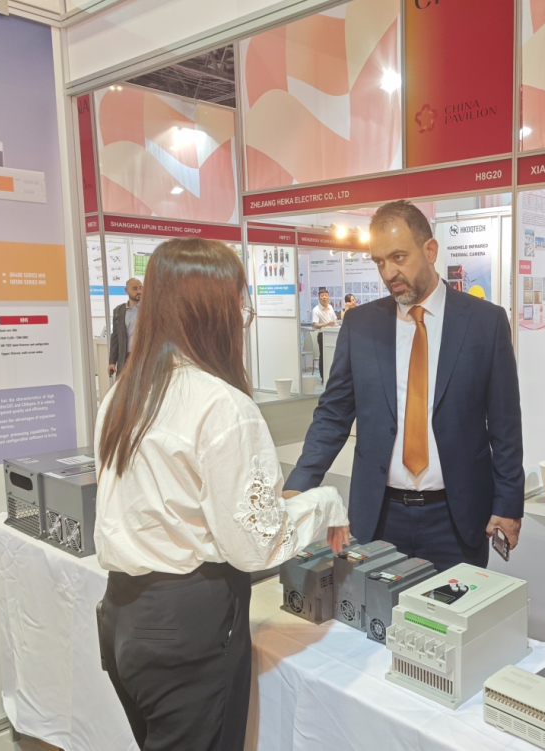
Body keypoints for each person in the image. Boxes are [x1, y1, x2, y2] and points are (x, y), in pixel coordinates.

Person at [94, 239, 349, 751]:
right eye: (238, 304)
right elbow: (256, 544)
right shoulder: (221, 406)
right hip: (188, 626)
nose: (241, 318)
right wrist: (325, 504)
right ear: (214, 310)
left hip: (122, 614)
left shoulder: (124, 394)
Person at [283, 200, 524, 571]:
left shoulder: (485, 322)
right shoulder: (361, 325)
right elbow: (333, 415)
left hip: (458, 518)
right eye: (379, 261)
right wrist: (299, 483)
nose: (388, 272)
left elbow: (505, 425)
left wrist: (508, 503)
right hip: (379, 516)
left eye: (398, 257)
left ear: (430, 250)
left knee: (455, 608)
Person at [108, 277, 142, 376]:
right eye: (134, 288)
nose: (139, 291)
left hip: (143, 357)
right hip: (125, 358)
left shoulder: (148, 309)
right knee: (122, 384)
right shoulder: (119, 311)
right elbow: (115, 338)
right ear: (126, 290)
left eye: (140, 288)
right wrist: (112, 361)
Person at [312, 288, 338, 383]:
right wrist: (327, 324)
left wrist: (333, 323)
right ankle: (323, 378)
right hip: (322, 335)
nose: (324, 298)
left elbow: (334, 320)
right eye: (322, 296)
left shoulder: (330, 307)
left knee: (332, 356)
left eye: (326, 296)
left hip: (332, 334)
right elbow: (315, 325)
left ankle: (331, 377)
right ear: (319, 298)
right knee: (323, 356)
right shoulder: (316, 310)